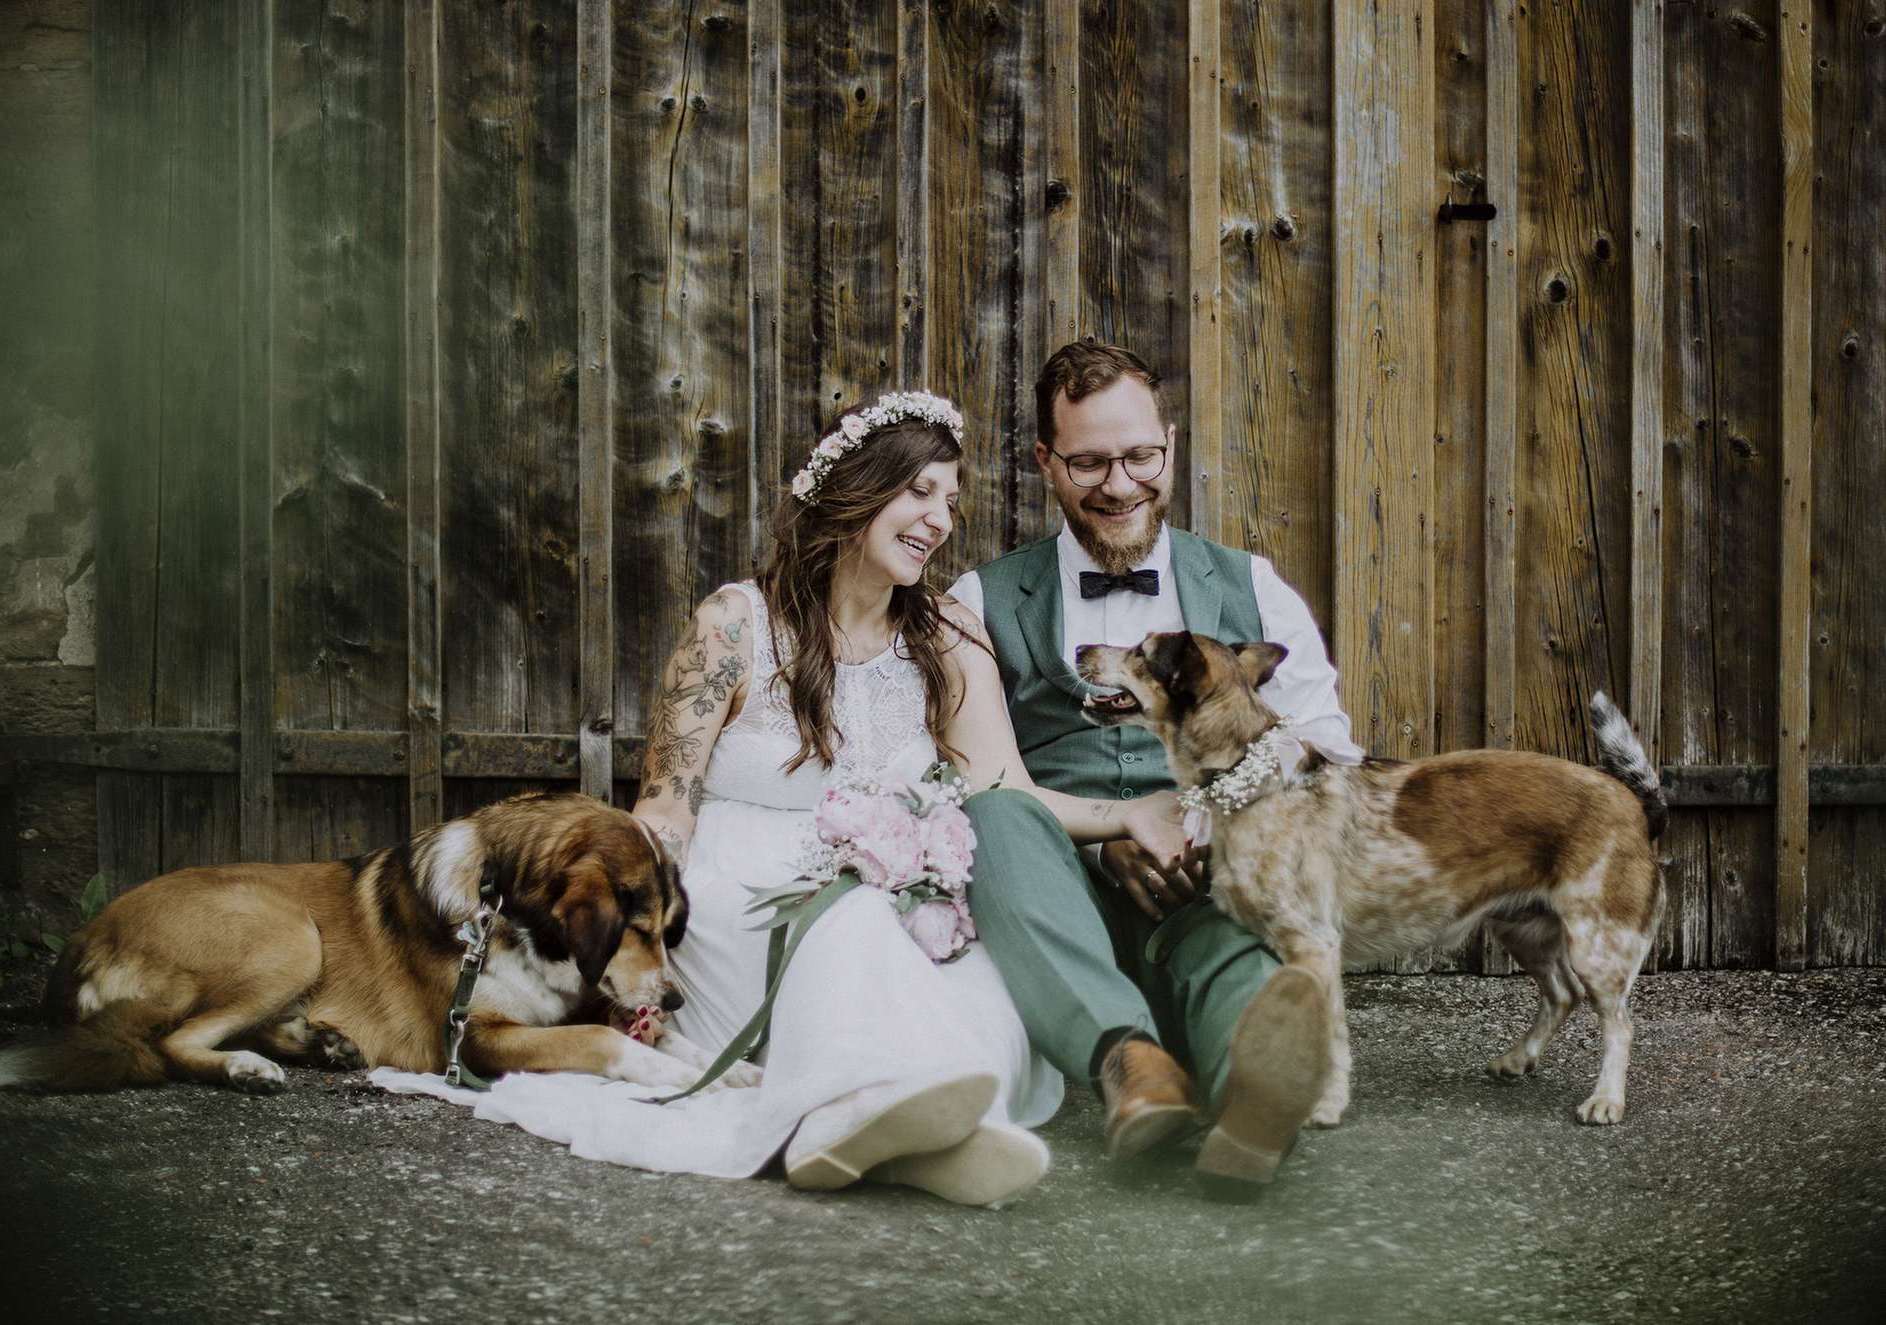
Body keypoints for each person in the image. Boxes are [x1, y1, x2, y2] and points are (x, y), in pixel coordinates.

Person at [378, 389, 1189, 1208]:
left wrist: (1124, 814)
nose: (939, 518)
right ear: (856, 490)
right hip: (742, 899)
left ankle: (898, 1132)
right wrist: (637, 956)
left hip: (895, 885)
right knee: (852, 932)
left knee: (966, 971)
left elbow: (1000, 787)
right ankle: (868, 1120)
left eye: (950, 499)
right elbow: (665, 808)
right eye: (918, 491)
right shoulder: (736, 624)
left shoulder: (946, 635)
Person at [947, 341, 1361, 1191]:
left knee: (1236, 957)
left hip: (1209, 881)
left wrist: (1210, 823)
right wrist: (1105, 843)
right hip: (1056, 883)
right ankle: (1131, 1064)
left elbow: (1331, 751)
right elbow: (959, 773)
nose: (1119, 484)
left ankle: (1254, 1092)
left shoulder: (1253, 586)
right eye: (1089, 462)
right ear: (1045, 463)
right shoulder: (979, 600)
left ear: (1168, 445)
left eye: (1139, 456)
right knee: (988, 816)